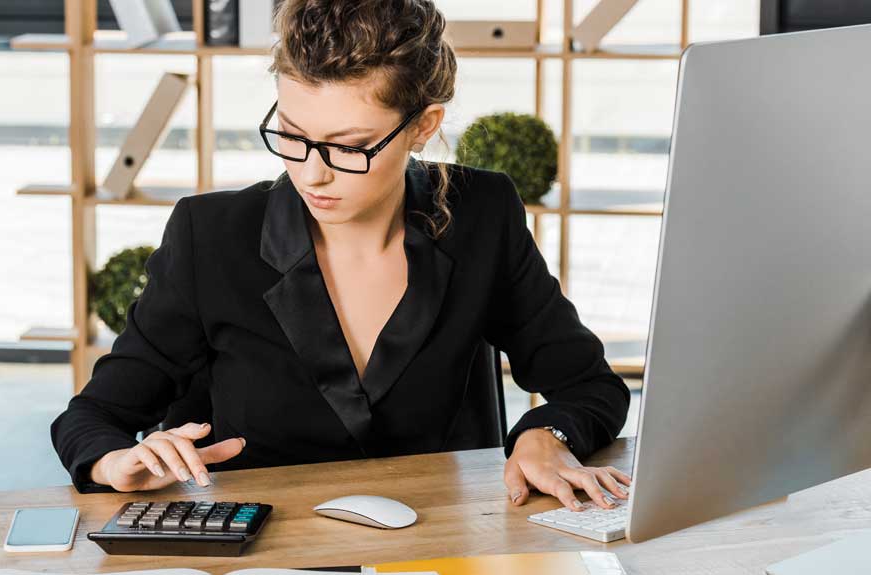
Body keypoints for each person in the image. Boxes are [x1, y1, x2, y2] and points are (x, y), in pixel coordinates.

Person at [51, 0, 631, 513]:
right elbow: (91, 417)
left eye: (349, 147)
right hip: (267, 556)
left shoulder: (483, 214)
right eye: (292, 134)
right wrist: (112, 462)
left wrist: (546, 434)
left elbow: (590, 385)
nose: (311, 172)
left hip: (441, 548)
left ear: (423, 126)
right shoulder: (211, 236)